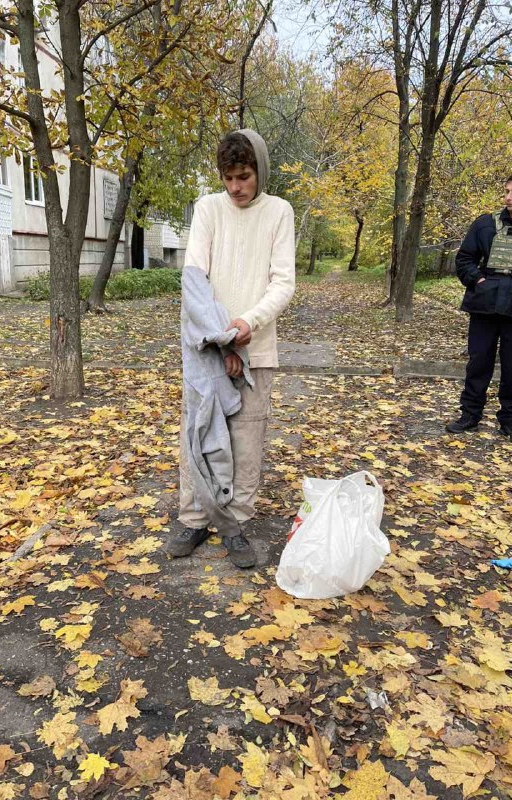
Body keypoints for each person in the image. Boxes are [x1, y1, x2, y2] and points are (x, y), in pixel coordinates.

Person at [168, 129, 296, 567]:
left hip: (256, 349)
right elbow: (194, 278)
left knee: (246, 439)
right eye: (228, 178)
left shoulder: (279, 212)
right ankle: (194, 518)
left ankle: (235, 524)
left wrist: (248, 323)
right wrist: (220, 335)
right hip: (206, 347)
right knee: (197, 434)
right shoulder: (207, 208)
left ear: (259, 169)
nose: (236, 187)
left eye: (243, 176)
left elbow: (283, 282)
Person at [446, 170, 512, 443]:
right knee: (479, 362)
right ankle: (470, 415)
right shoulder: (485, 224)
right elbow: (465, 258)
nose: (508, 197)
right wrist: (477, 280)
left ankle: (510, 421)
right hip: (485, 305)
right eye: (507, 191)